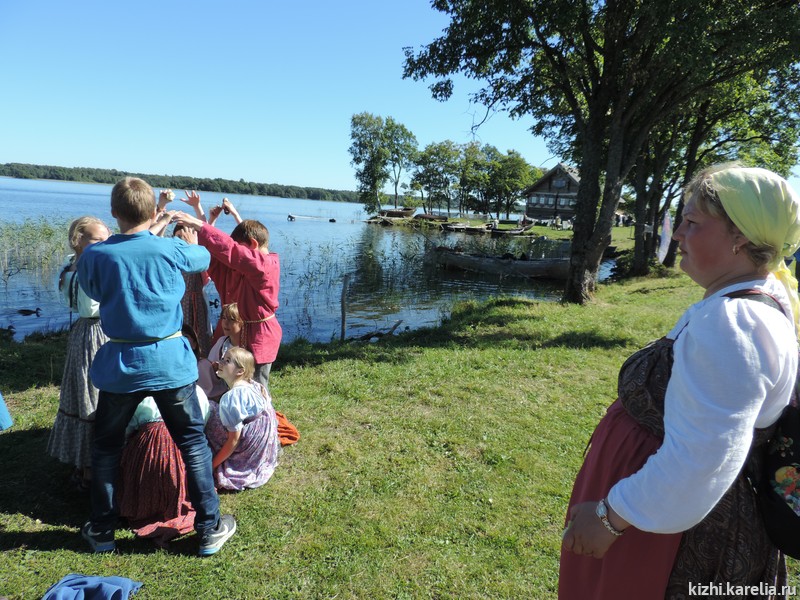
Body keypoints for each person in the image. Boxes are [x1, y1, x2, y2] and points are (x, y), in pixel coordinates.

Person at [560, 164, 800, 599]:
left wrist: (610, 516)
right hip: (663, 517)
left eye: (692, 222)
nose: (678, 235)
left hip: (674, 539)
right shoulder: (744, 301)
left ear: (740, 237)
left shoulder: (735, 323)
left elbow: (703, 459)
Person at [76, 176, 235, 556]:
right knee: (192, 443)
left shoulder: (96, 255)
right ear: (151, 212)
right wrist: (193, 234)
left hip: (122, 366)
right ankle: (209, 527)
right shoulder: (169, 249)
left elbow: (93, 290)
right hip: (169, 363)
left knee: (106, 447)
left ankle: (102, 530)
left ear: (114, 212)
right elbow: (202, 258)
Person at [174, 196, 281, 391]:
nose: (238, 256)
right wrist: (195, 245)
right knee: (226, 385)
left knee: (255, 388)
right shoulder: (235, 271)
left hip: (259, 340)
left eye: (242, 249)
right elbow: (215, 257)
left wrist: (200, 225)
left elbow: (232, 251)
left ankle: (257, 411)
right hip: (231, 337)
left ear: (253, 245)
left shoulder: (267, 265)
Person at [46, 216, 110, 491]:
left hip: (83, 331)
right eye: (97, 239)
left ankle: (83, 463)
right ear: (78, 240)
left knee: (83, 390)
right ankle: (90, 468)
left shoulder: (69, 264)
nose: (104, 243)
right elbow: (92, 306)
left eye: (107, 238)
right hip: (97, 331)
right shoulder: (88, 267)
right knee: (92, 394)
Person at [117, 387, 210, 547]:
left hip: (148, 449)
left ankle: (144, 503)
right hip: (183, 443)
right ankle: (177, 500)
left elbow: (127, 427)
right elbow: (202, 423)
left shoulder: (140, 392)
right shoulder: (195, 391)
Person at [205, 346, 279, 491]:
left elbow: (234, 440)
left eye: (227, 361)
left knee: (210, 409)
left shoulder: (232, 397)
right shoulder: (254, 385)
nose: (220, 362)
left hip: (248, 448)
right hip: (263, 446)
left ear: (240, 371)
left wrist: (212, 465)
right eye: (222, 358)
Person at [198, 302, 243, 401]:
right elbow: (209, 365)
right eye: (224, 318)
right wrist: (215, 366)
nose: (226, 323)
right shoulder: (222, 342)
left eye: (231, 320)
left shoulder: (244, 347)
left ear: (241, 322)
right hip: (220, 386)